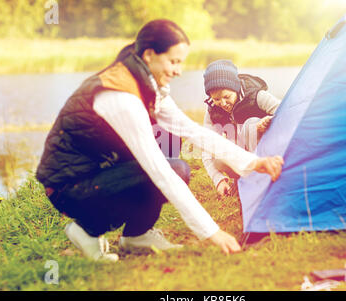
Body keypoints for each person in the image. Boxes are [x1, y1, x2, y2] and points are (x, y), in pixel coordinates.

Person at [36, 19, 284, 262]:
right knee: (171, 171)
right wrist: (212, 232)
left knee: (176, 158)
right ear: (150, 55)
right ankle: (86, 229)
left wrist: (253, 163)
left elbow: (195, 132)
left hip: (100, 171)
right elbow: (158, 171)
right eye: (174, 61)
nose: (178, 70)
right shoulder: (121, 96)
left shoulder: (147, 85)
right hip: (68, 188)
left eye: (181, 62)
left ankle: (137, 236)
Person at [202, 60, 281, 196]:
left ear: (236, 88)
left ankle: (264, 179)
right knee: (219, 158)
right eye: (216, 99)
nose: (223, 103)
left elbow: (287, 113)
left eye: (227, 97)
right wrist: (218, 180)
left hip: (268, 152)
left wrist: (268, 122)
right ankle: (244, 180)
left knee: (251, 125)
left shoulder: (257, 96)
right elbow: (206, 148)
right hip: (242, 158)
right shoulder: (212, 111)